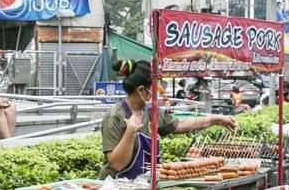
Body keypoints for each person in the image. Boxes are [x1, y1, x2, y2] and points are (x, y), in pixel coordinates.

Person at [100, 59, 236, 179]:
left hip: (142, 186)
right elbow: (116, 164)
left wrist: (217, 119)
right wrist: (130, 132)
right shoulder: (114, 117)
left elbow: (179, 125)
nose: (161, 92)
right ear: (142, 90)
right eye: (157, 87)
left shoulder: (151, 112)